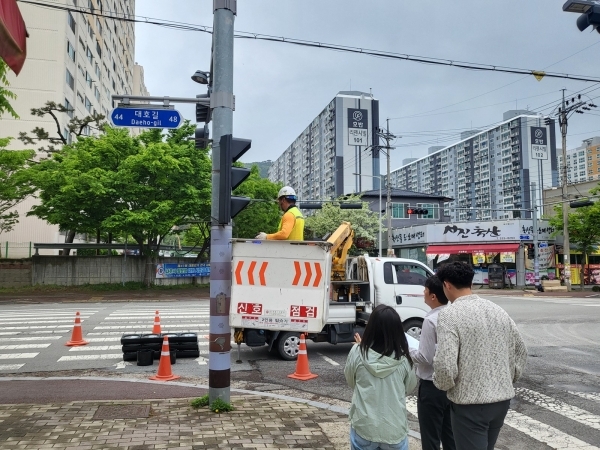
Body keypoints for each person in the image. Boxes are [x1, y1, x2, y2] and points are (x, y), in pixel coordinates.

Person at [433, 261, 527, 450]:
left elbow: (445, 365)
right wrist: (508, 378)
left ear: (447, 285)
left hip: (470, 403)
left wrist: (444, 385)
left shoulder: (450, 315)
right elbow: (520, 350)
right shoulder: (498, 310)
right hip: (501, 400)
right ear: (471, 283)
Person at [344, 305, 417, 450]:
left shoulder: (357, 353)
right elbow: (408, 388)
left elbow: (351, 381)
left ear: (371, 328)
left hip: (364, 426)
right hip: (394, 429)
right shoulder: (404, 359)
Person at [410, 276, 455, 450]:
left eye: (425, 290)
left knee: (431, 439)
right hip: (450, 385)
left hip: (431, 386)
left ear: (433, 296)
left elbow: (424, 358)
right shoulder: (453, 315)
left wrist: (406, 348)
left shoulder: (430, 321)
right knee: (450, 436)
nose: (424, 292)